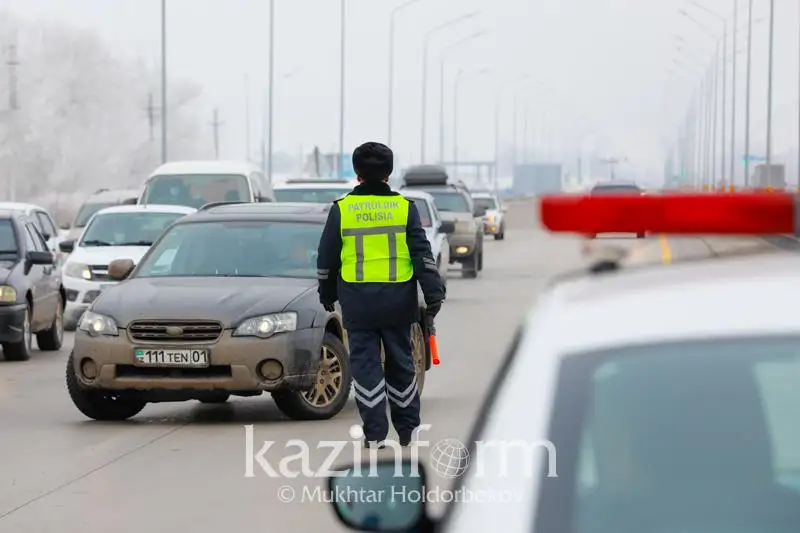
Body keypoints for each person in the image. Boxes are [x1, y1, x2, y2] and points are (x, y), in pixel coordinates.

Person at [317, 142, 445, 448]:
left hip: (358, 304)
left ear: (357, 173)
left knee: (366, 368)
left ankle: (374, 433)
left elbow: (326, 258)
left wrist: (327, 293)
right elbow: (422, 255)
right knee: (401, 364)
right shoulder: (404, 208)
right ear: (388, 173)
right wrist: (434, 294)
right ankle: (408, 430)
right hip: (398, 302)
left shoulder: (342, 210)